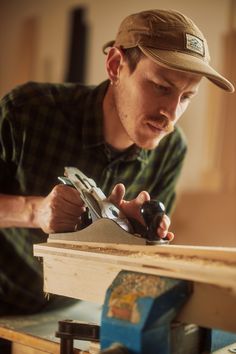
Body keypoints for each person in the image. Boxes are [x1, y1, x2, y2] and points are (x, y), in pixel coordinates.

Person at [0, 9, 234, 317]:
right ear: (115, 66)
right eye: (161, 87)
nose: (172, 115)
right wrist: (35, 211)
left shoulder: (171, 149)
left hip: (76, 306)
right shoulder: (27, 112)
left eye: (186, 97)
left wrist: (138, 232)